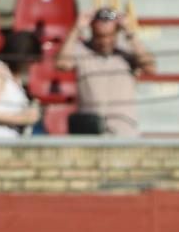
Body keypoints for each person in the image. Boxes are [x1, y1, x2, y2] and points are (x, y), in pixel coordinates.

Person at [55, 7, 155, 136]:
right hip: (91, 130)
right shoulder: (82, 51)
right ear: (92, 32)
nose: (105, 41)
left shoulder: (127, 52)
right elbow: (62, 64)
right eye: (100, 37)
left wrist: (129, 32)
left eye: (109, 36)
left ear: (117, 33)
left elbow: (150, 68)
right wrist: (76, 29)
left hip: (124, 130)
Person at [0, 31, 41, 140]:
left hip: (7, 141)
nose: (32, 64)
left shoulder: (14, 78)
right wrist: (22, 118)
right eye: (31, 60)